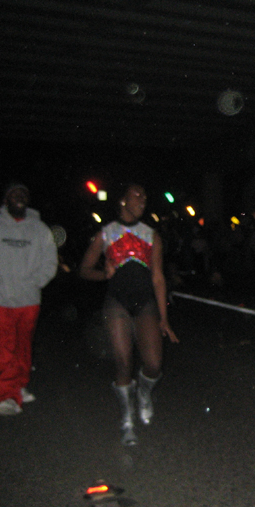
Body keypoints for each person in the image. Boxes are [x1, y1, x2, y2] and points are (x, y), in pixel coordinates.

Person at [80, 184, 178, 446]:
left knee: (154, 364)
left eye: (145, 196)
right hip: (117, 303)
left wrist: (164, 318)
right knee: (123, 363)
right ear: (123, 201)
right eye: (137, 195)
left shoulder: (151, 235)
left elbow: (158, 278)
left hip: (145, 302)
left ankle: (144, 393)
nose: (142, 199)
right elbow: (84, 270)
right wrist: (105, 274)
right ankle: (127, 419)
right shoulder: (106, 233)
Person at [0, 183, 58, 416]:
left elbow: (50, 262)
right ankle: (7, 396)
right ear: (6, 199)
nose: (19, 197)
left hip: (29, 299)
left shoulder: (40, 230)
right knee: (5, 348)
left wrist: (34, 282)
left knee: (23, 346)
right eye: (14, 194)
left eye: (23, 194)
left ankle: (19, 384)